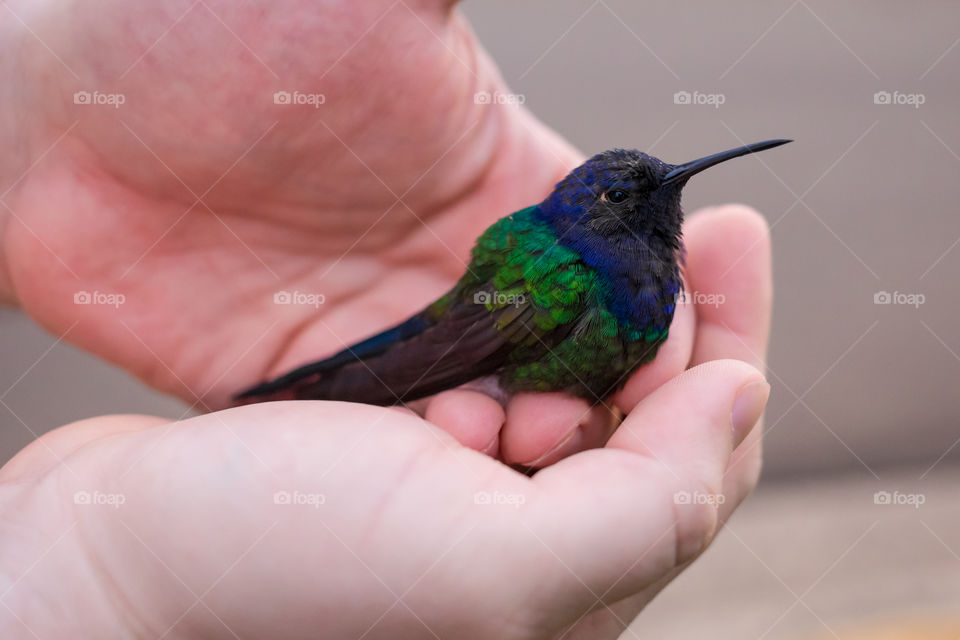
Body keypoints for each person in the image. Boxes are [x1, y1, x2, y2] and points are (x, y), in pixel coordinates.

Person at [0, 0, 771, 637]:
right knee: (403, 363)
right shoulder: (565, 274)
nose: (657, 192)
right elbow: (458, 342)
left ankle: (305, 383)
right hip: (475, 330)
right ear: (595, 213)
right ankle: (312, 384)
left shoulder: (633, 263)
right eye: (626, 194)